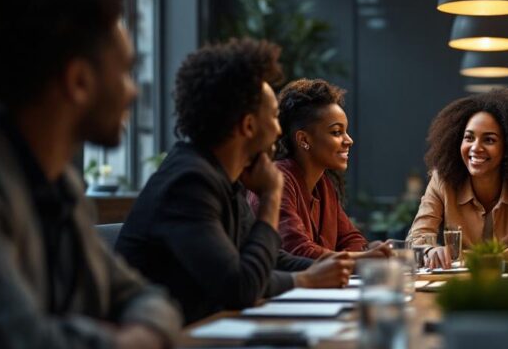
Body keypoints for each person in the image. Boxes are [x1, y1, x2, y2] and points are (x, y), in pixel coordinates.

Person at [0, 0, 181, 349]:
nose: (133, 92)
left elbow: (148, 300)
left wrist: (125, 333)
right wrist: (125, 345)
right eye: (125, 72)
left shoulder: (61, 186)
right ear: (79, 81)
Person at [116, 40, 353, 323]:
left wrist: (328, 268)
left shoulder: (222, 178)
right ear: (248, 125)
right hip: (159, 341)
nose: (279, 130)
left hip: (201, 330)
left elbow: (270, 260)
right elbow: (240, 286)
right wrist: (271, 197)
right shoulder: (189, 182)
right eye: (274, 117)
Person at [409, 88, 508, 267]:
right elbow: (416, 237)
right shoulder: (443, 179)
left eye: (489, 140)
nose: (475, 148)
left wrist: (497, 257)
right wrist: (430, 250)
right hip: (457, 281)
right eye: (469, 138)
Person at [253, 78, 390, 260]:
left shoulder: (323, 184)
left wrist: (365, 252)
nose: (349, 140)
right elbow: (297, 251)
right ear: (304, 140)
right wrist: (362, 257)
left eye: (345, 131)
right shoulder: (279, 179)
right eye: (336, 132)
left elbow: (353, 239)